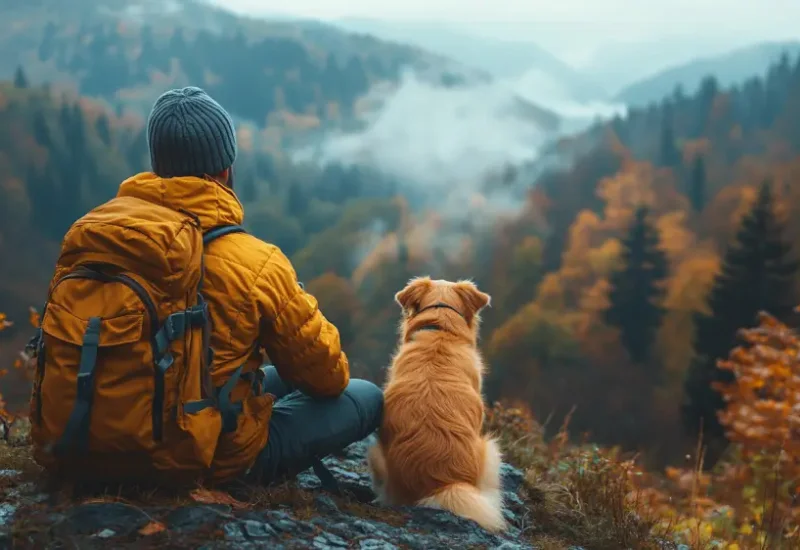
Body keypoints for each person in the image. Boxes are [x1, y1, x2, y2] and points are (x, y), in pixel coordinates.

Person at [142, 87, 383, 484]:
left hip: (106, 427)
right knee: (365, 395)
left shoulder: (100, 235)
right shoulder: (253, 260)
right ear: (225, 169)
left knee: (276, 376)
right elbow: (328, 376)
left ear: (158, 166)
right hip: (209, 457)